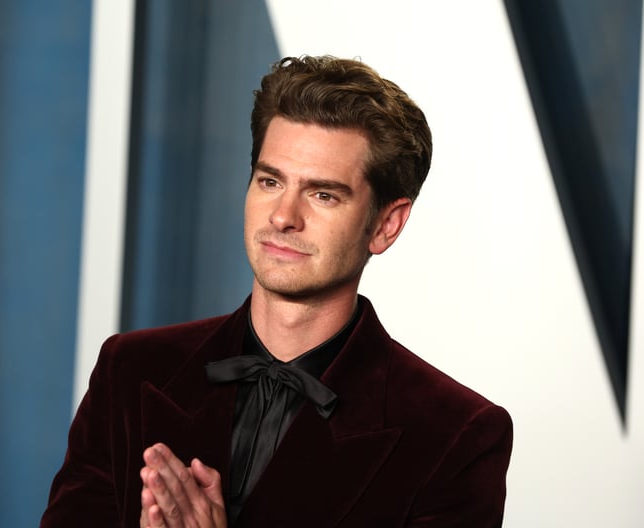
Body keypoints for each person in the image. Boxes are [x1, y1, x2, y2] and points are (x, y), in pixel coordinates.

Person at [40, 55, 513, 528]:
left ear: (386, 225)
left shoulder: (457, 435)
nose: (283, 216)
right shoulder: (130, 370)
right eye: (270, 181)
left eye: (322, 194)